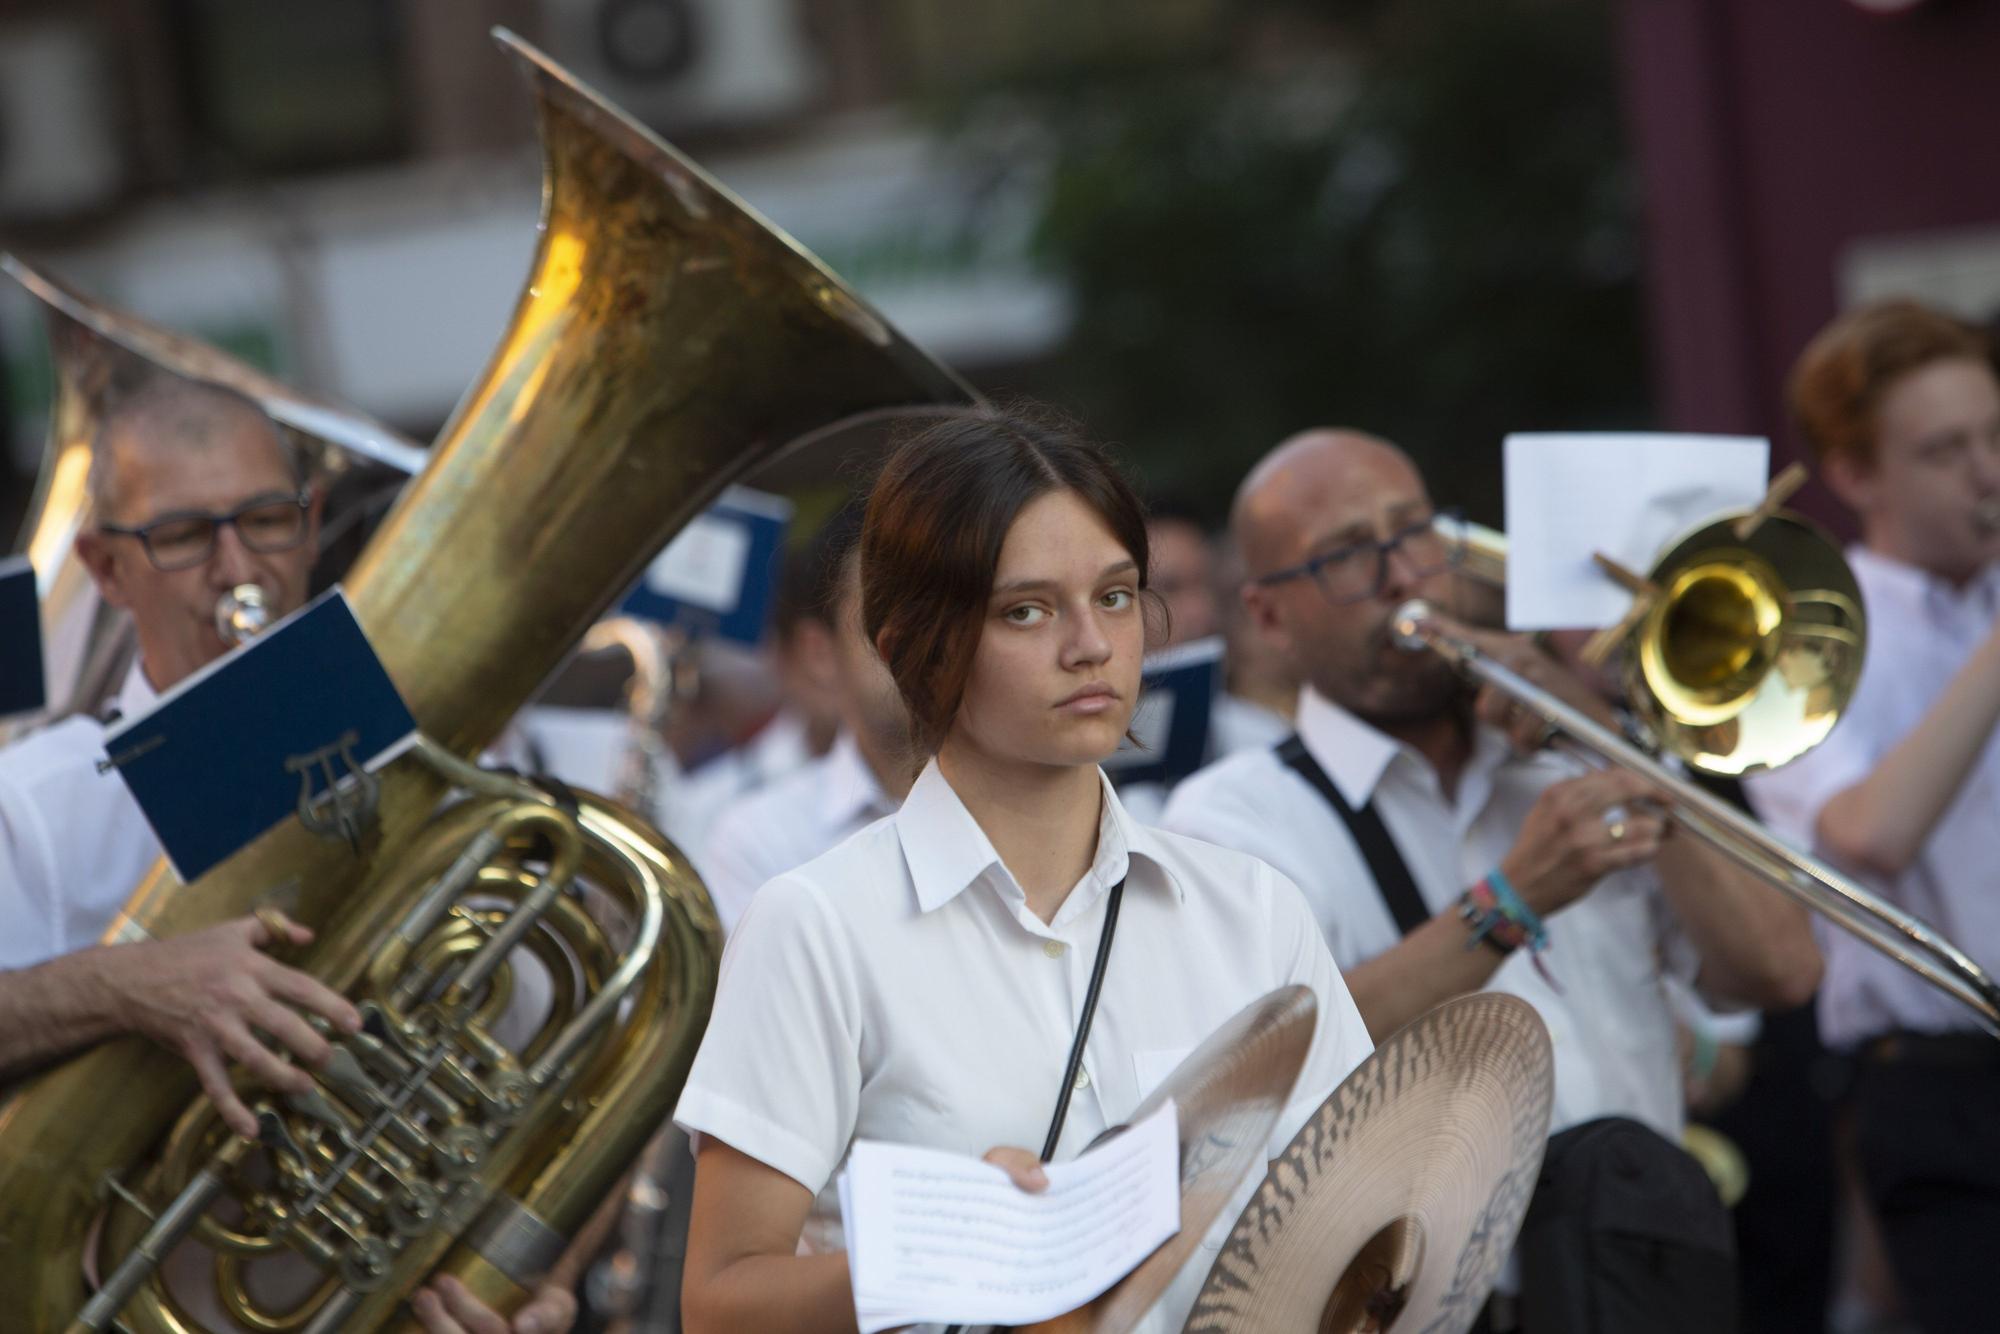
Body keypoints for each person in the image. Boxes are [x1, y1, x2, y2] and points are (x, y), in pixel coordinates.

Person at [673, 407, 1375, 1334]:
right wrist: (938, 1252)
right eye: (1027, 610)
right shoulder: (817, 922)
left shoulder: (1250, 907)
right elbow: (720, 1304)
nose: (1090, 644)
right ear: (909, 646)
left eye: (1116, 596)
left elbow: (1365, 1223)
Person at [1162, 428, 1821, 1327]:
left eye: (1415, 533)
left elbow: (1780, 968)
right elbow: (1276, 1065)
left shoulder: (1576, 759)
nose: (1402, 577)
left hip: (1648, 1268)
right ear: (1270, 618)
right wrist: (1510, 902)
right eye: (1350, 556)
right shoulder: (1229, 814)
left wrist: (1603, 732)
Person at [0, 372, 579, 1332]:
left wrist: (533, 1287)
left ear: (311, 526)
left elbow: (557, 1079)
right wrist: (128, 984)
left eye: (265, 520)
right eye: (185, 536)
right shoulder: (36, 802)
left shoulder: (430, 768)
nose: (238, 568)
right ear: (104, 570)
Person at [1743, 299, 2000, 1333]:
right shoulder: (1802, 636)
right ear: (1854, 476)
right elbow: (1868, 834)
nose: (1986, 473)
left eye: (1995, 436)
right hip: (1946, 1096)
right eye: (1945, 450)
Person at [700, 504, 911, 932]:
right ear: (819, 653)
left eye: (941, 610)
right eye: (883, 612)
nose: (918, 636)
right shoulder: (759, 838)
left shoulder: (1030, 803)